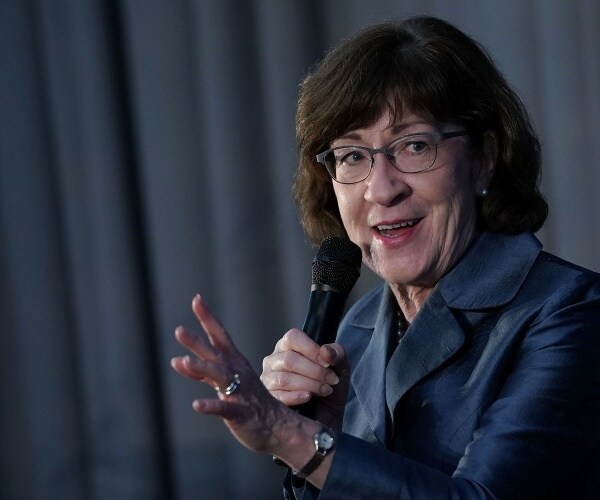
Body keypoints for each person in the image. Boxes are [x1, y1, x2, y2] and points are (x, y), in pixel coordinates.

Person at [171, 16, 600, 499]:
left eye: (414, 146)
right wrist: (318, 432)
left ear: (484, 158)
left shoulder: (571, 310)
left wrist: (291, 438)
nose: (381, 188)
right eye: (352, 155)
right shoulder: (358, 327)